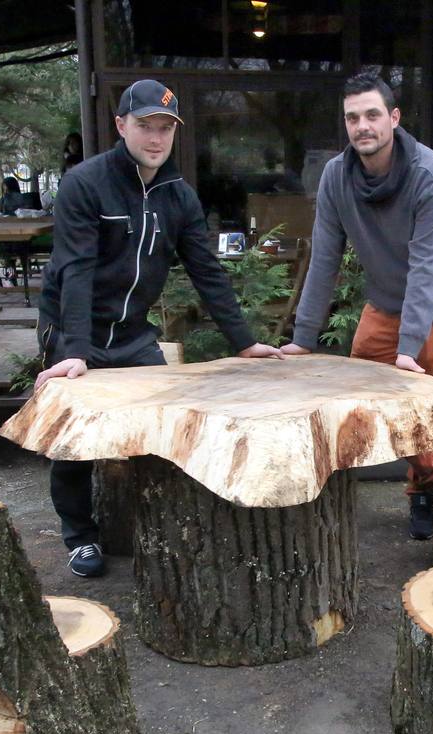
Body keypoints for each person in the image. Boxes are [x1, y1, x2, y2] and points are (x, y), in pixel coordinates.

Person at [37, 79, 284, 577]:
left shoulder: (178, 196)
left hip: (132, 336)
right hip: (72, 332)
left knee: (164, 433)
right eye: (145, 126)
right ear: (121, 125)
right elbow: (75, 269)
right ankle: (80, 537)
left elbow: (206, 271)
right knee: (73, 442)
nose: (155, 138)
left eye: (165, 129)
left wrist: (244, 341)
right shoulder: (85, 183)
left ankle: (158, 530)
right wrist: (75, 350)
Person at [281, 72, 433, 541]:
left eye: (371, 114)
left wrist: (409, 348)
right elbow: (323, 258)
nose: (362, 125)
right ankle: (334, 500)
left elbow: (429, 265)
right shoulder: (336, 177)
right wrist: (303, 339)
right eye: (352, 118)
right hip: (385, 303)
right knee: (357, 399)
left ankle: (426, 490)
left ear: (393, 117)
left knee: (419, 411)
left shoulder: (429, 174)